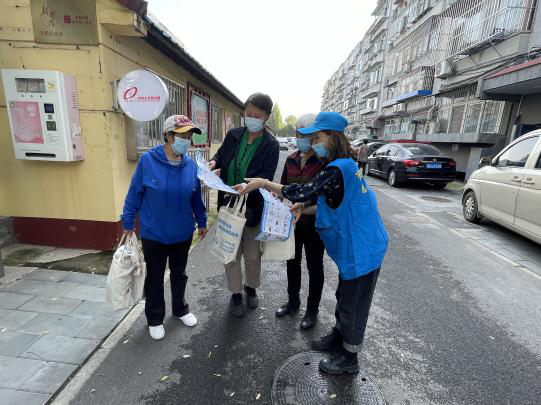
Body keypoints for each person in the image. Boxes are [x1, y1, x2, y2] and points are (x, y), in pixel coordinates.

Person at [235, 112, 388, 375]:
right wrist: (302, 207)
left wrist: (263, 183)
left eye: (318, 137)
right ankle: (339, 337)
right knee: (344, 296)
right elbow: (324, 202)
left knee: (353, 304)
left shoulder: (338, 168)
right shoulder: (344, 165)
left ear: (333, 137)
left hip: (362, 249)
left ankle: (349, 358)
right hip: (356, 246)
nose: (314, 142)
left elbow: (300, 190)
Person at [121, 115, 208, 341]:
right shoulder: (148, 161)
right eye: (183, 135)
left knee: (179, 274)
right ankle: (155, 318)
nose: (187, 140)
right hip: (155, 233)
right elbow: (134, 193)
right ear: (168, 136)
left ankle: (180, 309)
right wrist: (127, 222)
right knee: (155, 277)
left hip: (182, 232)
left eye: (190, 135)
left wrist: (202, 221)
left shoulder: (190, 165)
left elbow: (195, 197)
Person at [208, 93, 279, 317]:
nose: (251, 119)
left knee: (252, 255)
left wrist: (247, 187)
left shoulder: (271, 144)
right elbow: (221, 155)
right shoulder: (234, 135)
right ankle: (236, 293)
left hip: (253, 206)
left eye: (257, 115)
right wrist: (213, 162)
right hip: (228, 202)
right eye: (248, 114)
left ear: (266, 117)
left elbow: (266, 176)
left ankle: (251, 287)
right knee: (230, 251)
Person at [276, 113, 325, 330]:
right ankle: (292, 302)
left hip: (315, 223)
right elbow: (283, 187)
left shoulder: (323, 162)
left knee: (315, 267)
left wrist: (305, 205)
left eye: (308, 135)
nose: (302, 139)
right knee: (292, 262)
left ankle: (312, 311)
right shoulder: (291, 159)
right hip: (293, 223)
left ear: (315, 137)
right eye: (299, 134)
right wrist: (274, 200)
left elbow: (324, 197)